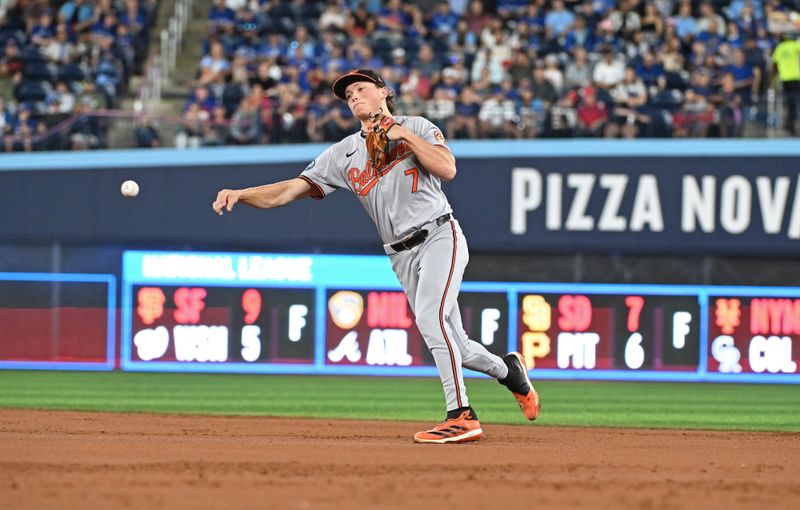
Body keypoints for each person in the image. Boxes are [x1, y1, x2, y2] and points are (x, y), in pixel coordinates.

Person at [212, 68, 540, 444]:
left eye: (361, 89)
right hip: (398, 254)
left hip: (438, 234)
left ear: (383, 92)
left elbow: (448, 168)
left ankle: (462, 415)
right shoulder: (344, 154)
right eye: (348, 94)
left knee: (431, 319)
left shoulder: (415, 125)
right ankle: (510, 372)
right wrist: (242, 193)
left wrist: (403, 136)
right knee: (457, 344)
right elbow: (289, 190)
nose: (353, 97)